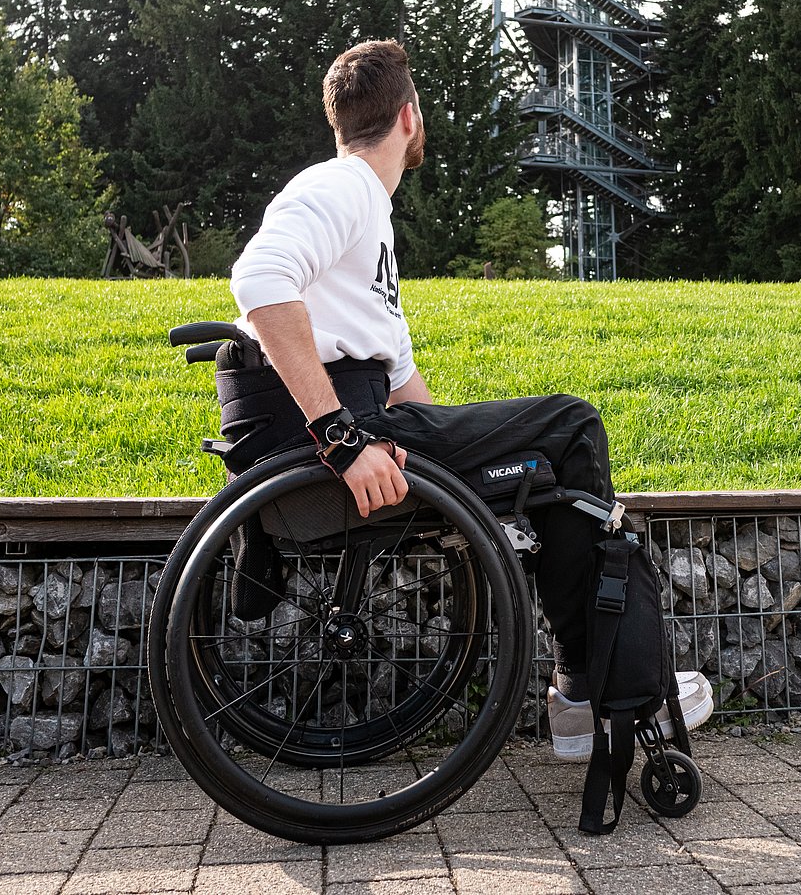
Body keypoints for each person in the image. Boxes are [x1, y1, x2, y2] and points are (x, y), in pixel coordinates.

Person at [229, 38, 712, 759]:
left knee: (551, 458)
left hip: (363, 416)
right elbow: (260, 281)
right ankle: (590, 692)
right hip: (335, 431)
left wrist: (493, 475)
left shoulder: (367, 222)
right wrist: (341, 438)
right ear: (409, 118)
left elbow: (412, 396)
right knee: (573, 424)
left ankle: (585, 690)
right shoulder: (345, 187)